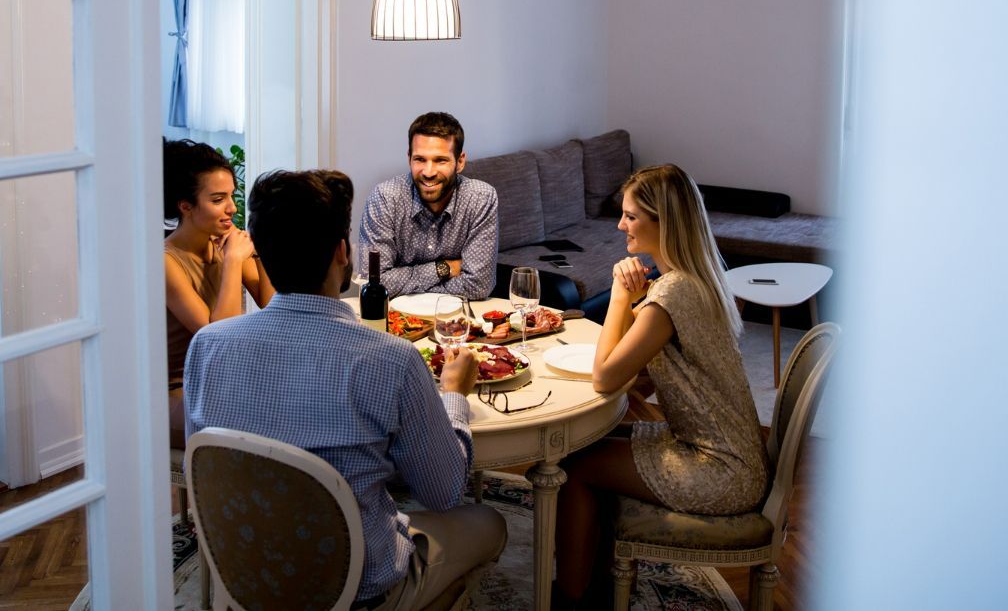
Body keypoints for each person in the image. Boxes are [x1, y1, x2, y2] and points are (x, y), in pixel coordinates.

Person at [184, 169, 507, 610]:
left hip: (248, 570)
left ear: (257, 249)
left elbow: (210, 463)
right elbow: (443, 491)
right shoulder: (392, 359)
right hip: (356, 589)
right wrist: (453, 393)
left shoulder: (207, 346)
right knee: (488, 522)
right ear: (342, 252)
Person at [552, 164, 767, 609]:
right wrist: (632, 309)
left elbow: (605, 376)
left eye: (630, 216)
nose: (620, 225)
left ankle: (570, 599)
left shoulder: (671, 294)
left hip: (720, 470)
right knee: (591, 440)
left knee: (575, 465)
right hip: (735, 455)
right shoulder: (695, 279)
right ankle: (596, 584)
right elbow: (640, 376)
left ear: (663, 221)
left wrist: (619, 296)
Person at [162, 138, 274, 447]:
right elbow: (220, 339)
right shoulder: (166, 262)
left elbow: (272, 306)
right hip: (179, 393)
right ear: (185, 206)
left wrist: (259, 251)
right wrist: (234, 262)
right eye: (218, 199)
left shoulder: (224, 242)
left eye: (232, 196)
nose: (232, 208)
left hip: (224, 380)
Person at [357, 111, 499, 299]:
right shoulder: (385, 198)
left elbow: (478, 286)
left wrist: (404, 285)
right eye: (420, 159)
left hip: (458, 315)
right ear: (409, 158)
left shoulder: (480, 198)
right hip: (396, 315)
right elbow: (373, 284)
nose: (429, 172)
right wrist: (445, 268)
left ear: (460, 162)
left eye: (440, 160)